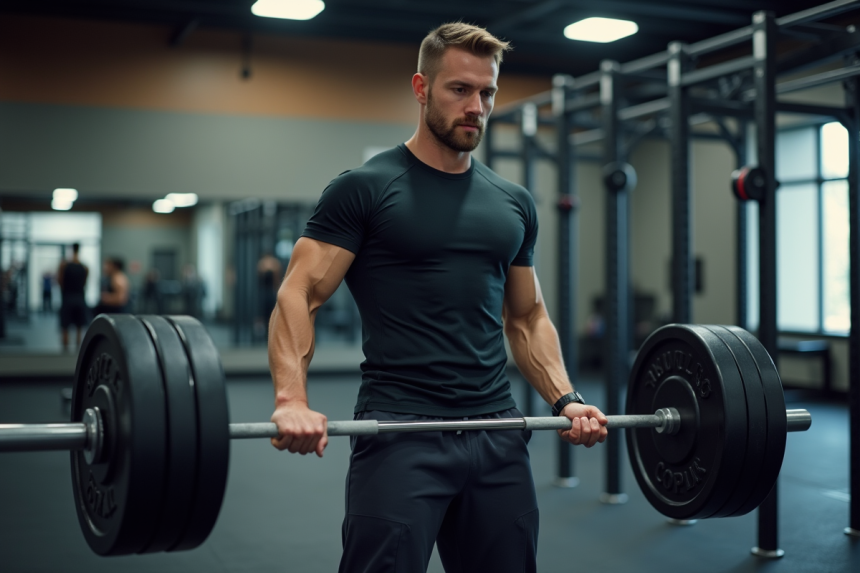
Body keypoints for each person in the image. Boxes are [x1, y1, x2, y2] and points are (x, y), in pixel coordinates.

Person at [267, 23, 608, 573]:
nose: (476, 106)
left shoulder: (513, 202)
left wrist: (564, 398)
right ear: (421, 88)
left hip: (497, 431)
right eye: (459, 90)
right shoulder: (365, 188)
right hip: (401, 432)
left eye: (487, 92)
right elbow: (299, 293)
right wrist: (292, 399)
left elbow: (526, 316)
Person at [57, 243, 89, 351]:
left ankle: (65, 351)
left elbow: (60, 282)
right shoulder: (85, 267)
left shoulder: (64, 266)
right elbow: (85, 283)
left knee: (65, 326)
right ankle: (77, 350)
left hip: (67, 297)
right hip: (79, 297)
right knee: (79, 326)